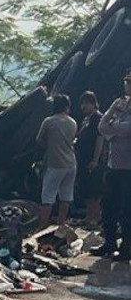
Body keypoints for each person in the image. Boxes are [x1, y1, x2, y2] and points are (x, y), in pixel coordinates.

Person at [94, 69, 131, 261]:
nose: (127, 85)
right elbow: (102, 124)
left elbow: (128, 128)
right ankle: (109, 243)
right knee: (108, 207)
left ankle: (126, 248)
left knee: (127, 211)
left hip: (128, 168)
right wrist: (116, 130)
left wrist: (114, 128)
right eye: (126, 81)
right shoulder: (119, 103)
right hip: (113, 165)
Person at [36, 94, 78, 228]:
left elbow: (39, 140)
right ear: (67, 107)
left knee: (48, 196)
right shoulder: (73, 122)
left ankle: (43, 227)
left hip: (55, 163)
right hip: (71, 163)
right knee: (66, 195)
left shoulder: (49, 121)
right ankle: (61, 224)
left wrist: (49, 146)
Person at [74, 91, 105, 228]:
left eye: (86, 103)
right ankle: (88, 216)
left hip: (94, 159)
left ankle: (95, 217)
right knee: (85, 189)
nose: (83, 106)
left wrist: (95, 160)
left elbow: (100, 139)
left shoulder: (98, 118)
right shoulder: (85, 119)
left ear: (93, 103)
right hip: (83, 158)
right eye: (82, 103)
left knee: (95, 189)